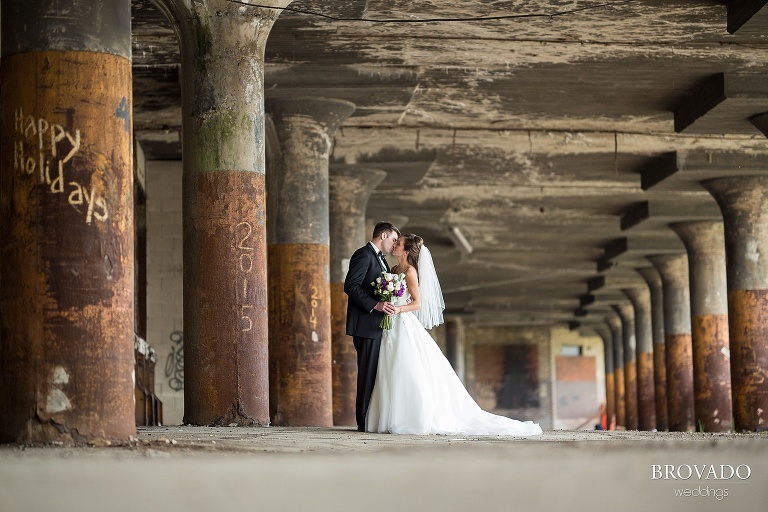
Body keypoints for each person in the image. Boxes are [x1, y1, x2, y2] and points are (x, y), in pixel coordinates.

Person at [366, 234, 543, 436]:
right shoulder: (395, 269)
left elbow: (417, 303)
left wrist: (397, 310)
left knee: (404, 366)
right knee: (391, 367)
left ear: (406, 251)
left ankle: (411, 417)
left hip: (402, 323)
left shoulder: (410, 272)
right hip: (390, 326)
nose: (395, 245)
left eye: (399, 243)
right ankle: (390, 416)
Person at [344, 221, 401, 432]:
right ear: (383, 235)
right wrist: (375, 304)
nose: (394, 245)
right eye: (394, 240)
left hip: (376, 326)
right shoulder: (364, 254)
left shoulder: (382, 260)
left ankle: (372, 420)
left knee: (375, 375)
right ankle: (364, 423)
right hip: (366, 326)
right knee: (367, 375)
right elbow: (350, 285)